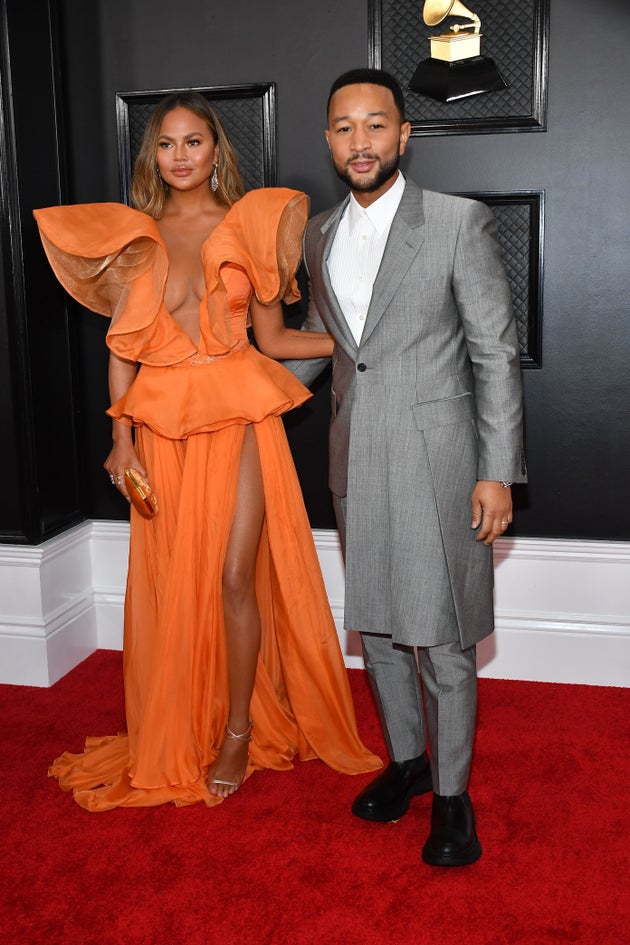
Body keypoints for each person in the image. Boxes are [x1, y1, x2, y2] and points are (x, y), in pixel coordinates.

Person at [34, 90, 380, 811]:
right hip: (160, 424)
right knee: (177, 577)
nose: (181, 156)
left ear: (217, 151)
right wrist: (119, 438)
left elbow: (277, 341)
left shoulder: (248, 227)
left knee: (231, 575)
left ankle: (237, 727)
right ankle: (189, 712)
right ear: (152, 155)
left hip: (238, 413)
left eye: (195, 142)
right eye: (167, 144)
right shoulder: (137, 235)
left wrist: (370, 343)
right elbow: (123, 352)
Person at [283, 69, 526, 865]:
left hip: (440, 459)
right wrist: (241, 389)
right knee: (380, 628)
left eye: (376, 125)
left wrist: (498, 470)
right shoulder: (318, 235)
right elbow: (327, 353)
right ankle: (410, 763)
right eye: (345, 127)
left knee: (444, 635)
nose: (361, 141)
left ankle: (453, 799)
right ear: (328, 140)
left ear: (403, 134)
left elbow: (494, 352)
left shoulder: (458, 222)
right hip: (355, 455)